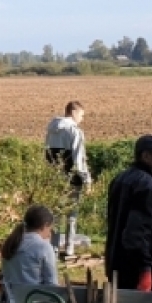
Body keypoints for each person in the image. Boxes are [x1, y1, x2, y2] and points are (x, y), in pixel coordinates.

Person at [103, 135, 152, 291]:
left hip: (118, 265)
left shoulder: (121, 178)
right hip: (146, 272)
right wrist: (145, 270)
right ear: (146, 156)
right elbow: (137, 232)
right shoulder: (148, 186)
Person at [44, 101, 91, 254]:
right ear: (73, 112)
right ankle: (69, 248)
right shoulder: (75, 131)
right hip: (72, 179)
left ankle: (54, 248)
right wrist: (87, 180)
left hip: (54, 177)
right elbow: (79, 160)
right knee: (72, 214)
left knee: (55, 214)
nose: (82, 119)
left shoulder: (51, 129)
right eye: (82, 115)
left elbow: (47, 153)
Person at [0, 205, 59, 287]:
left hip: (10, 298)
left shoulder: (11, 243)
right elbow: (52, 284)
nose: (50, 233)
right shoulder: (43, 247)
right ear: (45, 225)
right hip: (33, 298)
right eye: (50, 228)